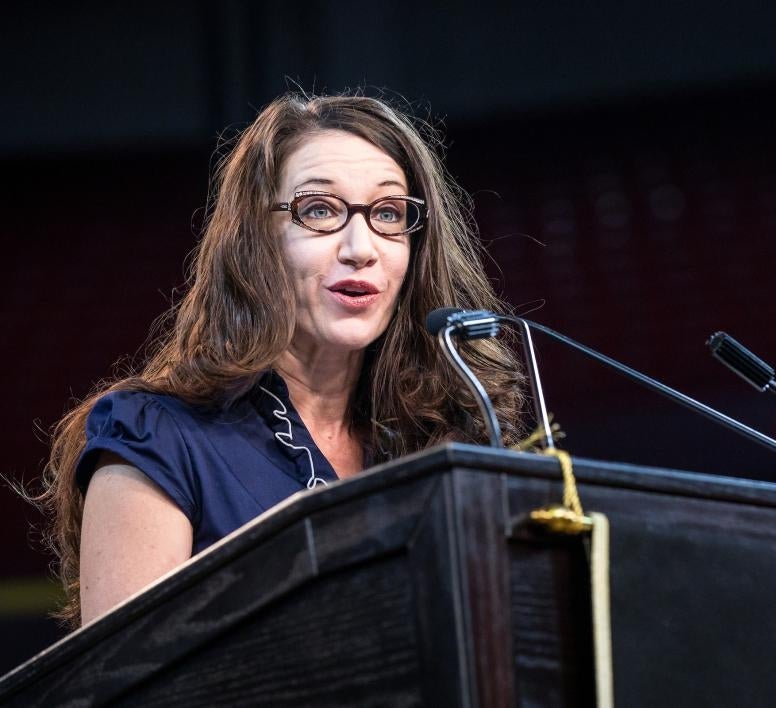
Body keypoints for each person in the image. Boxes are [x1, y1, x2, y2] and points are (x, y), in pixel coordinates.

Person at [35, 92, 526, 628]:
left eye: (388, 213)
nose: (361, 246)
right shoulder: (156, 437)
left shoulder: (436, 443)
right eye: (319, 210)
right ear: (256, 240)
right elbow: (123, 686)